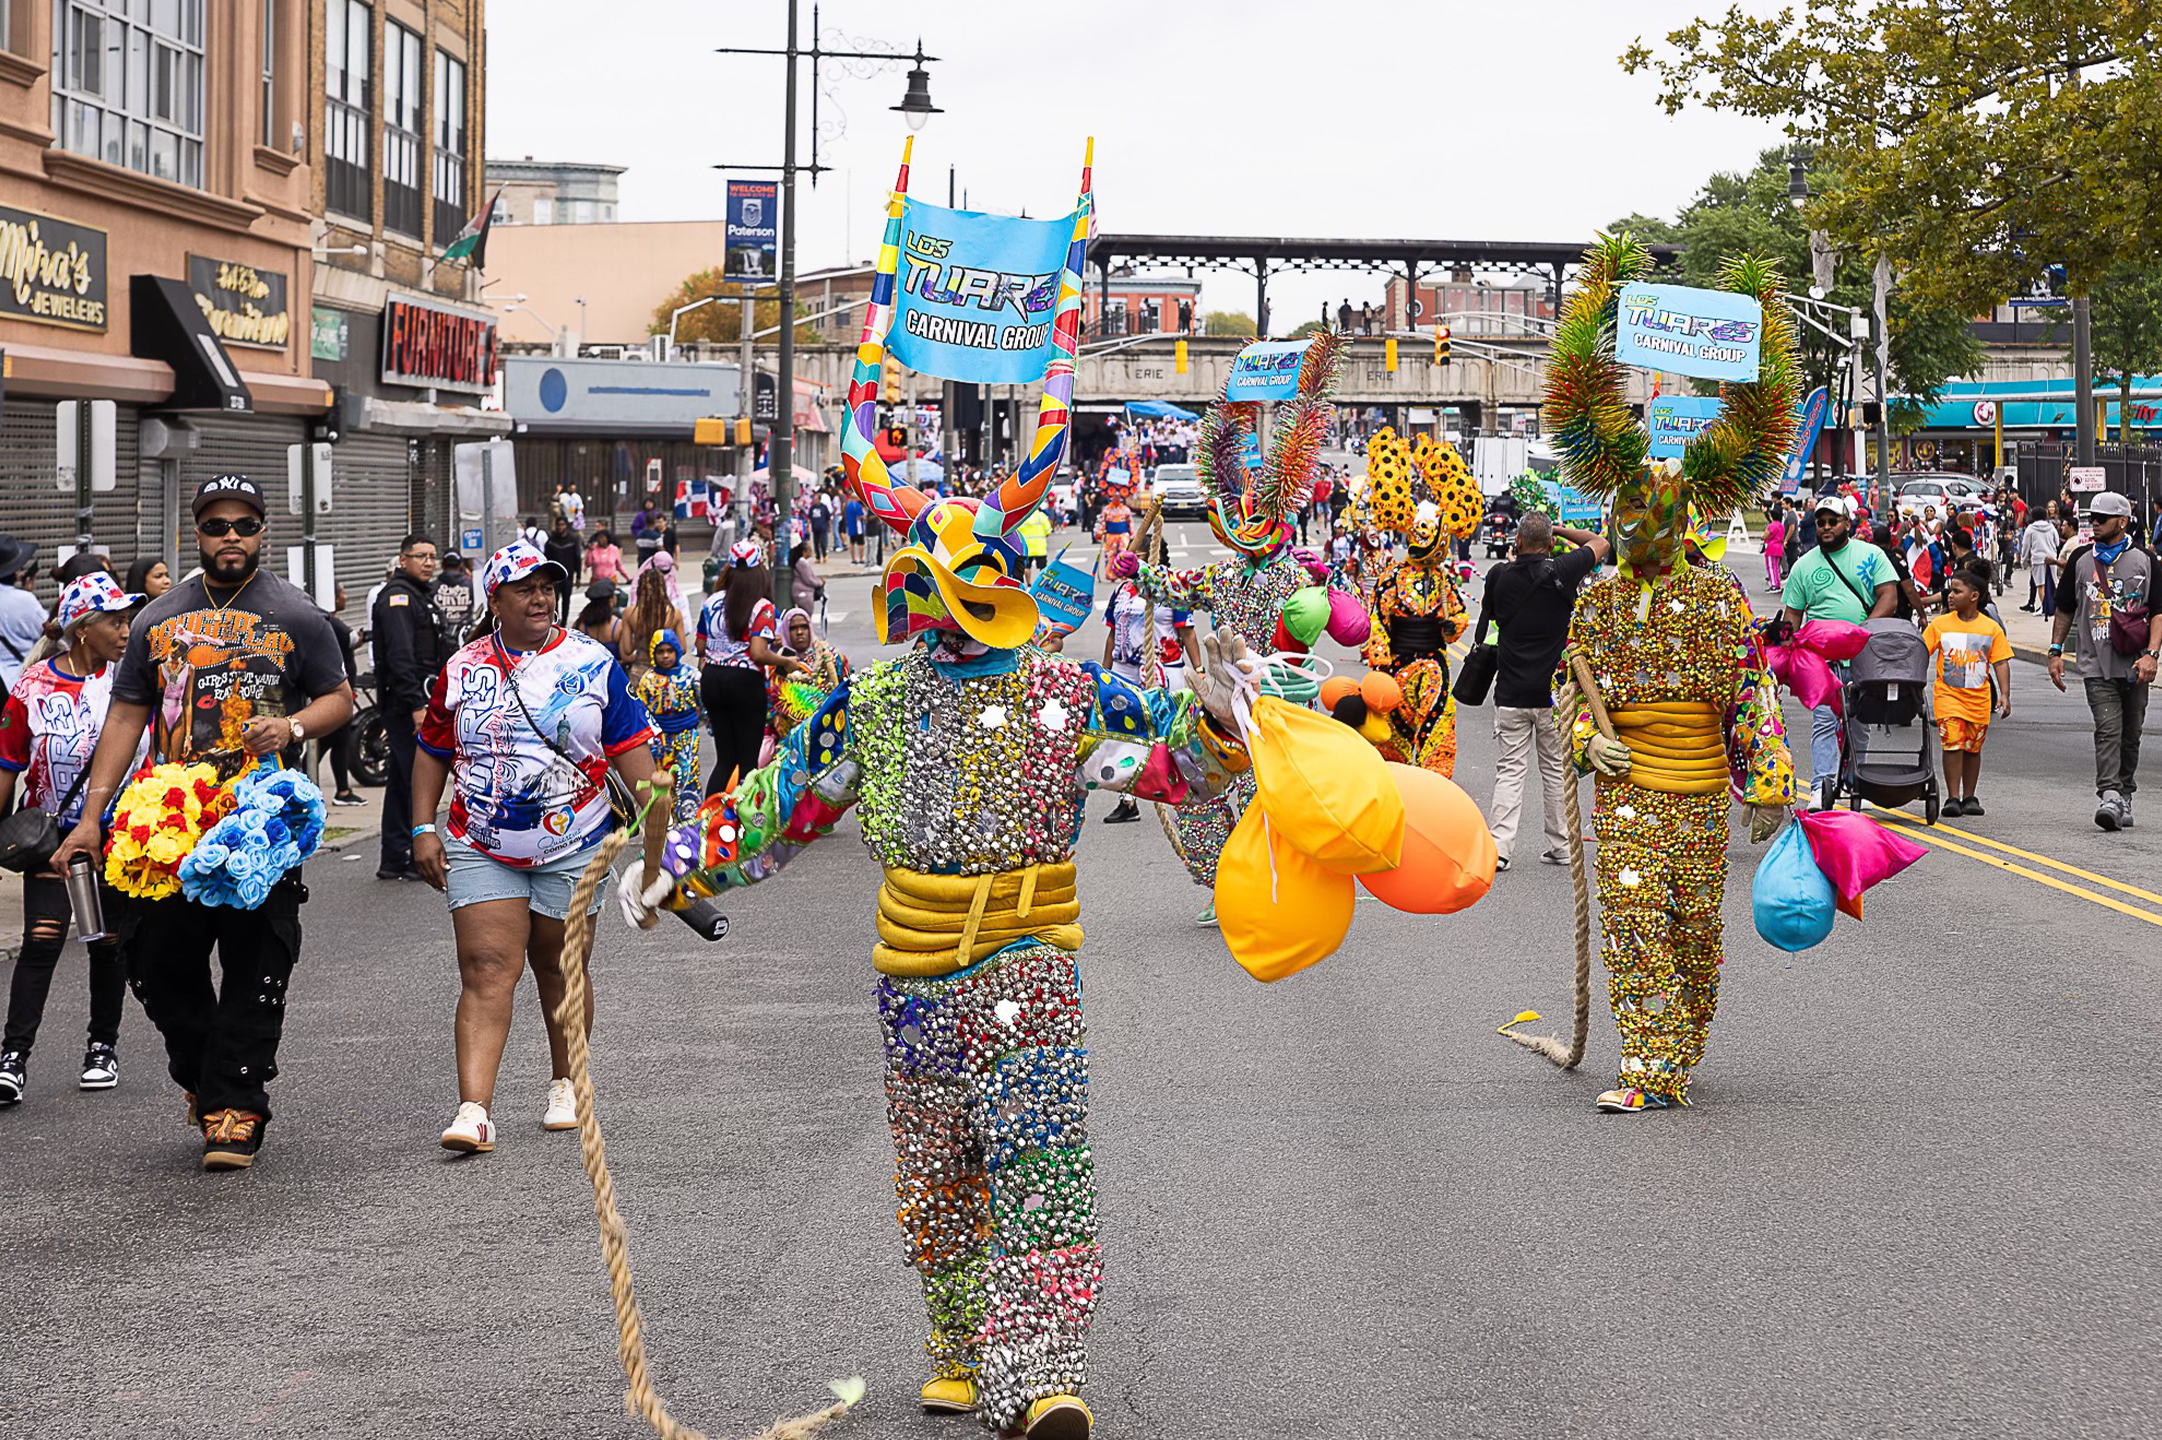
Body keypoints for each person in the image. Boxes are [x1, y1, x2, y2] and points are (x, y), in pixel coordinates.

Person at [619, 458, 1263, 1440]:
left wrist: (1218, 721)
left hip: (1024, 972)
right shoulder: (871, 706)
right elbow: (777, 808)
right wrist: (677, 863)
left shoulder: (1065, 696)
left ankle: (1030, 1378)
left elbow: (1169, 768)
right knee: (938, 1176)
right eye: (925, 589)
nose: (940, 612)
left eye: (957, 588)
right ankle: (960, 1346)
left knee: (1039, 1170)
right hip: (913, 981)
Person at [1538, 238, 1796, 1116]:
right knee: (1634, 918)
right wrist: (1584, 743)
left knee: (1692, 928)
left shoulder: (1718, 598)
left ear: (1682, 522)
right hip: (1628, 788)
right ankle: (1646, 1062)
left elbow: (1750, 692)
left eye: (1656, 518)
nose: (1641, 532)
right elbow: (1571, 692)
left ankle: (1679, 1047)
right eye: (1627, 519)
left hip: (1695, 794)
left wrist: (1765, 784)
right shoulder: (1599, 602)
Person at [53, 474, 354, 1170]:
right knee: (158, 966)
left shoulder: (296, 613)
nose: (230, 538)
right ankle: (202, 1079)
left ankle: (236, 1108)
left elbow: (340, 698)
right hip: (169, 821)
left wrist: (293, 724)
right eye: (217, 526)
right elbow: (127, 713)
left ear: (261, 532)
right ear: (196, 533)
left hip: (262, 823)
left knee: (257, 960)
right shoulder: (158, 618)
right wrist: (93, 816)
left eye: (243, 526)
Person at [411, 542, 658, 1154]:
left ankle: (566, 1084)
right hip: (481, 839)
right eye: (525, 587)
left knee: (559, 965)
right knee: (488, 968)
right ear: (495, 599)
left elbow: (640, 763)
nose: (541, 596)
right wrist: (422, 827)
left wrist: (658, 863)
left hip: (575, 840)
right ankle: (474, 1110)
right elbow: (433, 750)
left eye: (548, 585)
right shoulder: (463, 668)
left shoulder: (593, 662)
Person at [1115, 332, 1369, 926]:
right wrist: (1139, 573)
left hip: (1280, 710)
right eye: (1241, 514)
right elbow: (1176, 588)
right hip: (1222, 708)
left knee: (1273, 805)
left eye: (1261, 512)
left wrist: (1324, 594)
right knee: (1200, 803)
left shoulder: (1295, 576)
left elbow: (1344, 624)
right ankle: (1227, 883)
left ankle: (1282, 888)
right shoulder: (1225, 573)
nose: (1249, 522)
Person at [0, 574, 149, 1106]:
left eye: (127, 619)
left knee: (105, 942)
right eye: (115, 620)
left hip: (115, 839)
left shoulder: (132, 683)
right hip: (50, 837)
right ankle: (12, 1058)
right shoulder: (32, 686)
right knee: (42, 938)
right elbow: (7, 762)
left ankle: (101, 1047)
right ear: (84, 629)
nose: (126, 629)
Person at [1476, 510, 1610, 870]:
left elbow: (1489, 621)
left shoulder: (1498, 576)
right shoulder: (1562, 571)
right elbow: (1601, 543)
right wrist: (1561, 530)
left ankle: (1500, 850)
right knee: (1554, 770)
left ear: (1516, 542)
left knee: (1509, 770)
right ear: (1551, 544)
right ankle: (1562, 845)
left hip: (1511, 692)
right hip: (1553, 694)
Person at [1360, 434, 1475, 778]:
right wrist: (1379, 657)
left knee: (1437, 724)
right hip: (1397, 665)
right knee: (1392, 731)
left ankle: (1433, 784)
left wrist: (1453, 626)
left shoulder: (1443, 580)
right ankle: (1397, 784)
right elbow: (1377, 620)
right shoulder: (1391, 579)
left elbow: (1457, 612)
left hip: (1434, 667)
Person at [2049, 490, 2159, 831]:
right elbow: (2065, 608)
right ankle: (2109, 794)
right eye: (2090, 518)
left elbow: (2158, 612)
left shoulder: (2146, 560)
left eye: (2102, 519)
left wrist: (2152, 656)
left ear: (2122, 522)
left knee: (2131, 734)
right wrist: (2054, 651)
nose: (2093, 523)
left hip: (2136, 663)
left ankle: (2125, 793)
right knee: (2108, 729)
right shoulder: (2081, 559)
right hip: (2095, 663)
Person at [1781, 492, 1898, 807]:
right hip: (1821, 660)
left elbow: (1889, 596)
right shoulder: (1804, 566)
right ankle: (1822, 786)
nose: (1826, 527)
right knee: (1824, 721)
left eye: (1833, 521)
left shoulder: (1871, 555)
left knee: (1859, 723)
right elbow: (1792, 615)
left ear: (1848, 522)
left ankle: (1857, 780)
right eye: (1821, 522)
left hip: (1863, 654)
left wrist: (1862, 632)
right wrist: (1786, 646)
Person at [371, 534, 451, 882]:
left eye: (432, 556)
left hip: (421, 698)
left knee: (402, 780)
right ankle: (403, 853)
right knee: (411, 779)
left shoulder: (420, 596)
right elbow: (401, 658)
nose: (429, 562)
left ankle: (394, 856)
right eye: (421, 556)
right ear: (403, 560)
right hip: (408, 703)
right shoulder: (399, 599)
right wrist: (418, 706)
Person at [697, 542, 803, 795]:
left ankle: (709, 821)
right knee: (747, 763)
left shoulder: (712, 602)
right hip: (745, 683)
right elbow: (757, 652)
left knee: (725, 759)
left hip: (712, 679)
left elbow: (700, 646)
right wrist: (786, 662)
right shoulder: (761, 606)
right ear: (759, 572)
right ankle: (744, 825)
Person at [1098, 572, 1195, 824]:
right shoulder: (1121, 590)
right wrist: (1104, 673)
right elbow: (1111, 633)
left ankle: (1190, 794)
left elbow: (1187, 632)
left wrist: (1200, 670)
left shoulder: (1173, 587)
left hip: (1164, 666)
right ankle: (1128, 800)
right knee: (1124, 733)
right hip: (1125, 667)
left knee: (1173, 732)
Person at [1923, 568, 2012, 818]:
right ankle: (1953, 797)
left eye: (1956, 591)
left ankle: (1969, 796)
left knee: (1973, 748)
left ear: (1974, 596)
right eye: (1950, 590)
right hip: (1948, 696)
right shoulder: (1939, 625)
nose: (1950, 596)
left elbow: (2001, 662)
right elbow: (1921, 652)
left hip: (1978, 699)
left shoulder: (1990, 628)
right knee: (1952, 744)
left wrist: (2004, 695)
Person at [634, 629, 704, 822]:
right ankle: (665, 826)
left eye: (670, 651)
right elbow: (642, 712)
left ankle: (690, 823)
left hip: (686, 736)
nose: (665, 656)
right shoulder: (647, 680)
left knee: (687, 777)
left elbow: (703, 704)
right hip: (659, 740)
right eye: (660, 651)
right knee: (661, 783)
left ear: (677, 652)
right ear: (653, 654)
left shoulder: (692, 676)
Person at [319, 585, 365, 807]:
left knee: (339, 741)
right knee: (330, 740)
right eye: (342, 593)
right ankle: (302, 776)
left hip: (342, 692)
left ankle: (343, 791)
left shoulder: (329, 621)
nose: (345, 597)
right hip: (338, 695)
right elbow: (351, 639)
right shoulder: (331, 621)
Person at [0, 536, 44, 695]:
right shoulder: (25, 600)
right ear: (16, 571)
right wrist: (27, 594)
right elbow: (46, 633)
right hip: (17, 684)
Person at [544, 516, 584, 623]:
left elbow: (577, 558)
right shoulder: (551, 541)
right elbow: (547, 559)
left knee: (566, 601)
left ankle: (564, 622)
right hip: (555, 578)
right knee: (554, 600)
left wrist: (578, 576)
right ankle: (556, 622)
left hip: (568, 576)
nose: (560, 527)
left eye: (562, 524)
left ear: (566, 526)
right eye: (558, 524)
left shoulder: (573, 540)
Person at [2021, 506, 2060, 612]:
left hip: (2038, 559)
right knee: (2054, 581)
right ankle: (2056, 606)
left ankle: (2045, 608)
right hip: (2051, 558)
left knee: (2040, 584)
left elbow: (2025, 546)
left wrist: (2023, 561)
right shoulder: (2051, 527)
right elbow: (2057, 542)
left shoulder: (2030, 529)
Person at [433, 552, 478, 638]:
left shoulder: (432, 586)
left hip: (440, 637)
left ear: (442, 565)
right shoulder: (471, 585)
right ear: (461, 565)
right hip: (465, 636)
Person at [1763, 504, 1787, 591]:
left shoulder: (1771, 526)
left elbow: (1765, 535)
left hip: (1771, 547)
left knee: (1770, 567)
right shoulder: (1781, 525)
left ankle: (1774, 584)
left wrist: (1762, 537)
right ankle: (1777, 582)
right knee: (1776, 566)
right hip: (1779, 546)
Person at [808, 491, 832, 563]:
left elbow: (828, 518)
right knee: (816, 543)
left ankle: (824, 555)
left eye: (816, 499)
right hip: (815, 528)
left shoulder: (823, 507)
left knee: (823, 542)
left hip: (823, 527)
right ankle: (817, 557)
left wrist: (829, 527)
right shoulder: (812, 507)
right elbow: (809, 517)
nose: (815, 500)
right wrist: (808, 525)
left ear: (819, 499)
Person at [844, 490, 867, 564]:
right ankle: (861, 559)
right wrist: (865, 517)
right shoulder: (857, 505)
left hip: (850, 527)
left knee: (852, 543)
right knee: (861, 544)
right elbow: (860, 516)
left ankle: (853, 559)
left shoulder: (848, 505)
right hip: (858, 527)